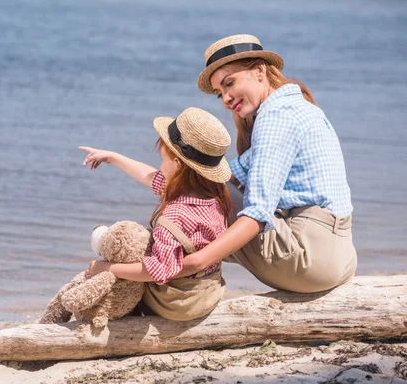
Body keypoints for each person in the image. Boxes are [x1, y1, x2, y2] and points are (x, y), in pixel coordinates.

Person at [175, 34, 356, 293]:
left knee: (201, 198)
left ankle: (177, 284)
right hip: (340, 257)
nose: (225, 98)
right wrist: (129, 163)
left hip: (308, 260)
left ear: (260, 71)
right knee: (203, 188)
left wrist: (198, 260)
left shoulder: (275, 118)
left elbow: (257, 214)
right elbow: (223, 175)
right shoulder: (297, 107)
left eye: (229, 83)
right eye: (219, 93)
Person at [80, 107, 231, 320]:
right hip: (207, 294)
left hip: (176, 303)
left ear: (178, 164)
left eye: (162, 160)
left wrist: (106, 267)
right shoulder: (213, 196)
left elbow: (155, 271)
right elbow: (147, 175)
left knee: (120, 249)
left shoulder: (175, 215)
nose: (159, 167)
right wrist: (112, 157)